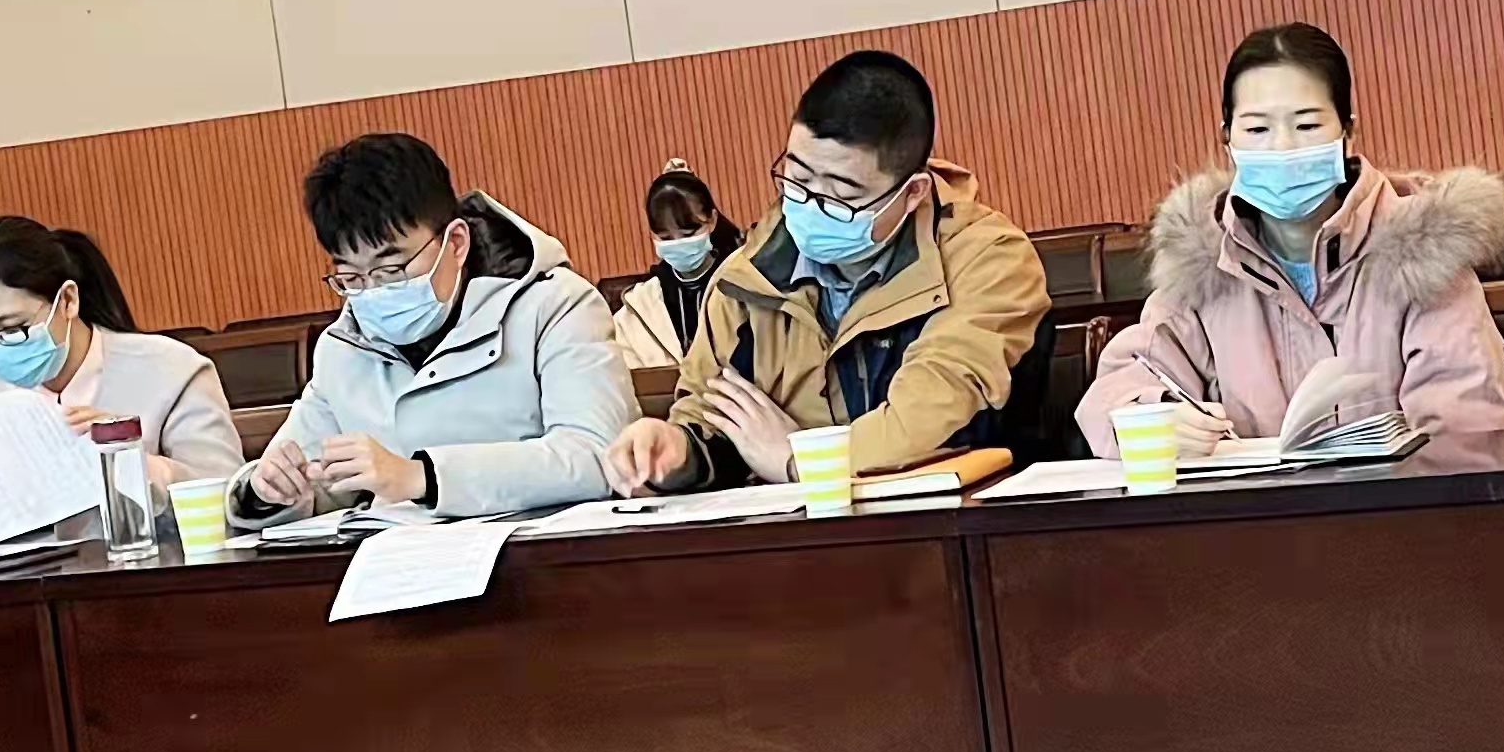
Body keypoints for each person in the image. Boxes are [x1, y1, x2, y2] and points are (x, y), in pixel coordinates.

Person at [1075, 23, 1504, 466]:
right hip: (1253, 511)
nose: (1283, 147)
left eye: (1307, 125)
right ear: (1227, 140)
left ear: (1347, 132)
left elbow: (1466, 429)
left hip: (1401, 506)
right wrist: (1155, 420)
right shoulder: (1204, 267)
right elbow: (1120, 388)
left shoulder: (1425, 257)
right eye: (1257, 130)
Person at [604, 50, 1050, 493]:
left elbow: (921, 423)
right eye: (797, 179)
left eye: (841, 194)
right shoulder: (747, 276)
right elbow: (711, 414)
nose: (810, 205)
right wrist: (674, 451)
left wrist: (797, 461)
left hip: (950, 517)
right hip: (793, 525)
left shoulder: (989, 260)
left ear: (912, 192)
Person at [229, 134, 638, 527]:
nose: (374, 291)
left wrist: (421, 477)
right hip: (399, 560)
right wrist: (265, 491)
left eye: (392, 269)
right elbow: (309, 474)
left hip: (546, 557)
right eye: (351, 277)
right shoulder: (344, 347)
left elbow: (597, 456)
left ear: (455, 243)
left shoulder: (554, 304)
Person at [0, 217, 241, 487]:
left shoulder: (173, 370)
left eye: (12, 329)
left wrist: (131, 461)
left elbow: (227, 495)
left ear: (68, 301)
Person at [613, 159, 747, 369]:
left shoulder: (745, 283)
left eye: (688, 234)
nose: (677, 243)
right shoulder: (639, 306)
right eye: (665, 238)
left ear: (712, 220)